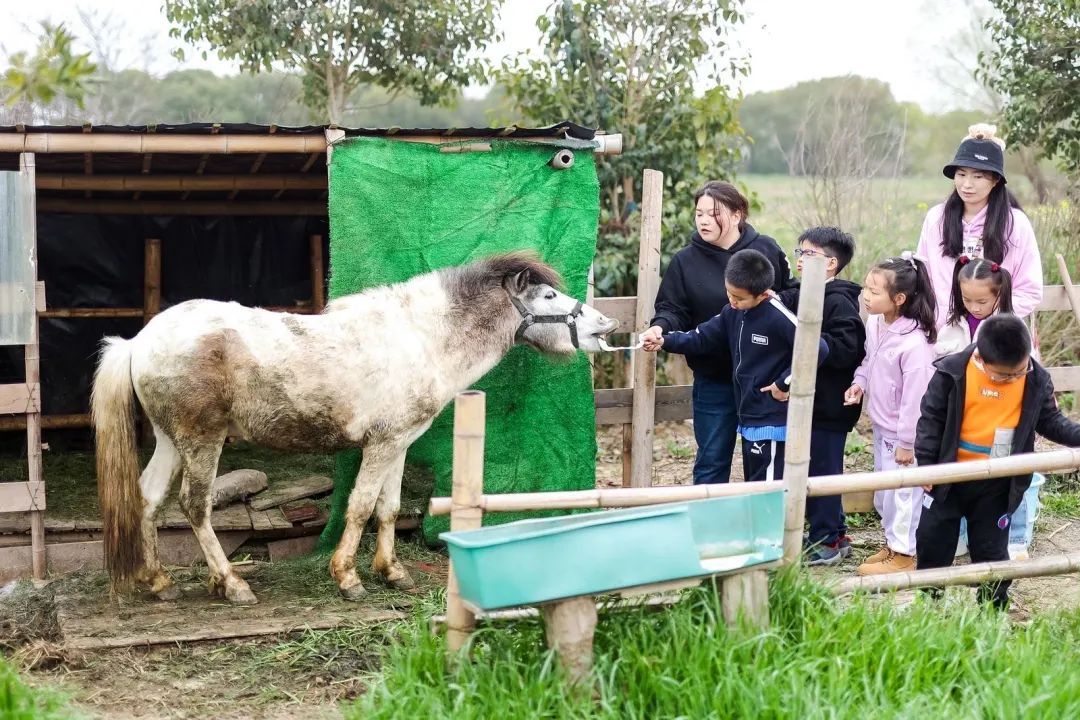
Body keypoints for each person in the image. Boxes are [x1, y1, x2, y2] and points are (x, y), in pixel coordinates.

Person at [915, 314, 1080, 609]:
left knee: (992, 550)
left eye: (1019, 372)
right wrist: (926, 464)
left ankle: (993, 609)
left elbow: (1050, 421)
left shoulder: (1035, 378)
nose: (1013, 379)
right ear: (979, 356)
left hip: (997, 481)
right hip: (947, 477)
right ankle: (928, 605)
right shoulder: (952, 372)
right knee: (933, 542)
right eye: (1003, 376)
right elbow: (931, 419)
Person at [643, 181, 797, 485]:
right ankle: (707, 531)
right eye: (699, 213)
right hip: (714, 380)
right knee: (711, 461)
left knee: (767, 463)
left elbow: (790, 295)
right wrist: (660, 327)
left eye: (713, 213)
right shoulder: (685, 261)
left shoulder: (764, 249)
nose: (703, 220)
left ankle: (766, 527)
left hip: (764, 381)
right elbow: (673, 308)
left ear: (737, 214)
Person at [643, 249, 827, 483]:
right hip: (749, 414)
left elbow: (817, 348)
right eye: (729, 293)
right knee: (754, 481)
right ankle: (754, 520)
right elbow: (701, 337)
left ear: (762, 294)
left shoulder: (777, 316)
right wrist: (664, 340)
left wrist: (784, 383)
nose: (732, 301)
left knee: (767, 487)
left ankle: (770, 521)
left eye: (739, 298)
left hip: (771, 416)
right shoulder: (732, 312)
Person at [844, 252, 937, 576]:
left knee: (903, 493)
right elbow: (870, 361)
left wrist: (908, 443)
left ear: (898, 298)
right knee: (885, 492)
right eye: (866, 288)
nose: (865, 296)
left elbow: (917, 400)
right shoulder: (876, 324)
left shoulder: (914, 345)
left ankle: (904, 553)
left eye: (874, 291)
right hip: (883, 425)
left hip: (904, 432)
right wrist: (859, 383)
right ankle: (891, 544)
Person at [778, 227, 865, 565]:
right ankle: (835, 532)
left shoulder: (839, 301)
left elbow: (847, 349)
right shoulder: (802, 293)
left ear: (831, 264)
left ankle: (825, 541)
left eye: (808, 254)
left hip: (829, 405)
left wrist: (816, 343)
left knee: (824, 473)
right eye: (799, 252)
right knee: (812, 469)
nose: (800, 259)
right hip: (810, 404)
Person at [915, 123, 1042, 329]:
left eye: (978, 176)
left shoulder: (1016, 224)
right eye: (962, 174)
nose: (967, 184)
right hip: (944, 332)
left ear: (995, 180)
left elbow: (1030, 290)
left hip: (997, 333)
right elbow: (923, 277)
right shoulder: (936, 218)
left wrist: (989, 320)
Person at [935, 257, 1016, 357]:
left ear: (999, 294)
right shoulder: (951, 327)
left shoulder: (1013, 330)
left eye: (982, 302)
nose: (974, 308)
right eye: (967, 299)